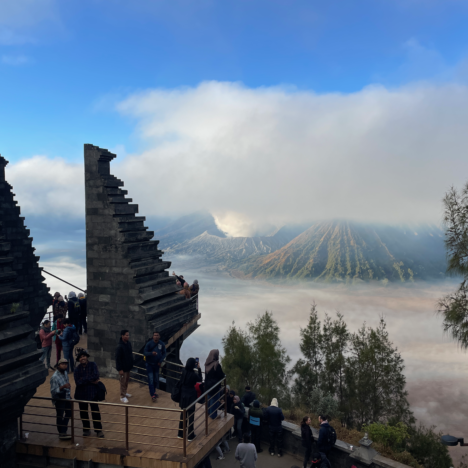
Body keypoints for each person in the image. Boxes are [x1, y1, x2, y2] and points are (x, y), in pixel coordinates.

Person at [74, 349, 104, 438]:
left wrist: (84, 380)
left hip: (92, 393)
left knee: (95, 412)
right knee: (83, 413)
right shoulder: (77, 369)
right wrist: (90, 380)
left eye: (84, 356)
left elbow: (96, 376)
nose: (82, 358)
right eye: (80, 357)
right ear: (79, 359)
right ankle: (86, 429)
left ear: (87, 357)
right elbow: (77, 382)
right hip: (81, 394)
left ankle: (98, 430)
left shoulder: (93, 364)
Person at [177, 357, 203, 442]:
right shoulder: (193, 374)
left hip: (183, 395)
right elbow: (200, 379)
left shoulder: (183, 371)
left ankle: (180, 434)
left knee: (183, 414)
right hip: (191, 395)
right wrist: (199, 368)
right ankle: (190, 435)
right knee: (191, 415)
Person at [50, 358, 72, 439]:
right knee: (60, 415)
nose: (64, 365)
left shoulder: (65, 373)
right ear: (58, 365)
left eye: (65, 364)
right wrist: (63, 387)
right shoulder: (54, 377)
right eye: (62, 364)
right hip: (59, 398)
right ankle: (62, 432)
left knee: (69, 412)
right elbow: (53, 391)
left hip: (66, 396)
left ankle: (63, 428)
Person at [143, 331, 166, 402]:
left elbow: (164, 353)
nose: (156, 336)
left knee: (156, 379)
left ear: (159, 336)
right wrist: (151, 353)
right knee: (151, 379)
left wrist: (160, 361)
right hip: (149, 364)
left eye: (157, 335)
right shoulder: (149, 343)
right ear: (153, 336)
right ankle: (152, 394)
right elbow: (144, 352)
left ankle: (154, 391)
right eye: (155, 335)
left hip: (157, 364)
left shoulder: (161, 344)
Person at [204, 349, 225, 419]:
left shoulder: (207, 363)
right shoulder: (216, 364)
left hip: (207, 385)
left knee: (209, 398)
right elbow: (221, 375)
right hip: (215, 386)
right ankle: (213, 415)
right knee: (214, 400)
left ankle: (209, 412)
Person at [115, 329, 134, 403]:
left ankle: (125, 392)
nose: (128, 336)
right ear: (122, 336)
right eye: (126, 335)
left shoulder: (128, 344)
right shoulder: (119, 347)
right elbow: (118, 358)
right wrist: (120, 369)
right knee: (123, 382)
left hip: (128, 366)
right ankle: (122, 396)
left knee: (126, 381)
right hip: (123, 368)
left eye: (128, 335)